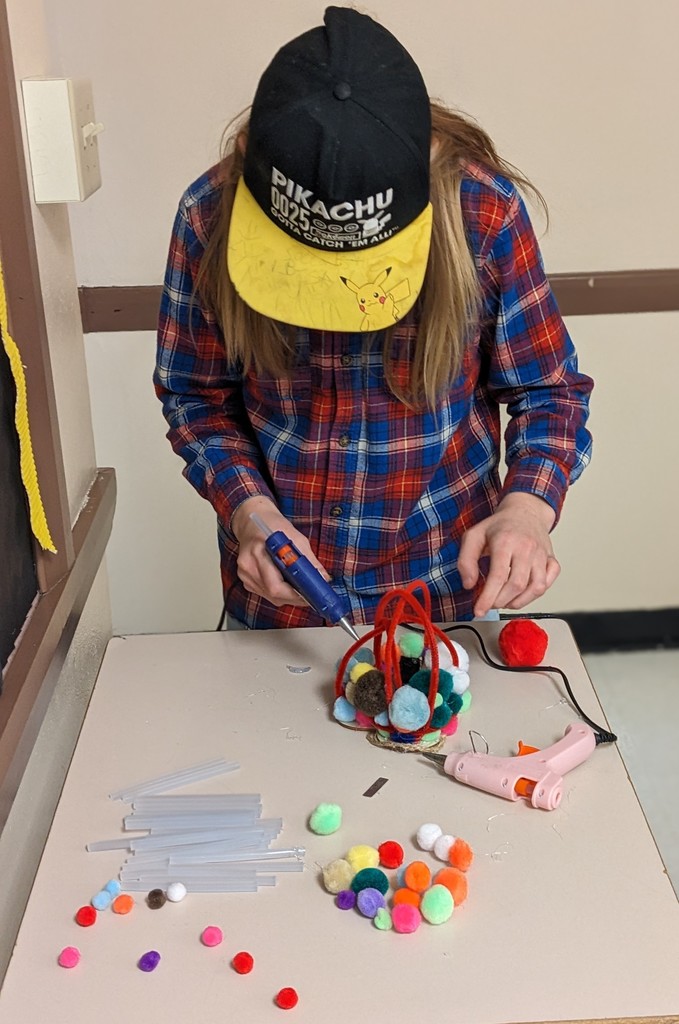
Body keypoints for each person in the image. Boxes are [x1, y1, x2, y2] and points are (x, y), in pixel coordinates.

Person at [154, 6, 593, 631]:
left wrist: (527, 509)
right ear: (253, 158)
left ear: (428, 158)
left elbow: (550, 392)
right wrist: (249, 511)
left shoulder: (483, 215)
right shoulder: (208, 217)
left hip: (447, 598)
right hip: (279, 609)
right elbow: (195, 396)